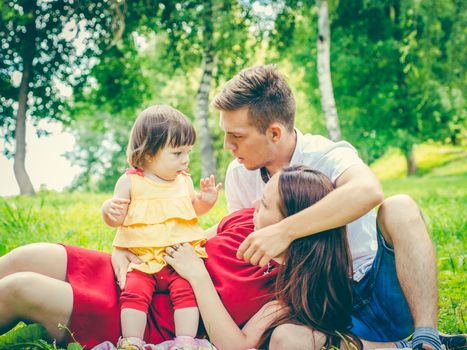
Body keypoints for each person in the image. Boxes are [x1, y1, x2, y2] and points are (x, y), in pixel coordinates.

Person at [211, 64, 464, 350]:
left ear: (275, 133)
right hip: (321, 306)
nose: (226, 145)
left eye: (237, 135)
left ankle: (426, 337)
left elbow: (367, 190)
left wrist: (285, 231)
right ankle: (398, 349)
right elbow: (243, 244)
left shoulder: (326, 155)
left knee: (400, 207)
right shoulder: (239, 174)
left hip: (380, 288)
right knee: (288, 340)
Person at [0, 166, 362, 350]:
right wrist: (123, 249)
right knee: (25, 256)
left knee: (18, 289)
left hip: (147, 322)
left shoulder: (286, 293)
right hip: (141, 276)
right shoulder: (243, 223)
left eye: (266, 204)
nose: (254, 205)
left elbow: (235, 346)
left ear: (294, 223)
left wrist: (198, 277)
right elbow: (177, 238)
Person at [100, 105, 222, 350]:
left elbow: (191, 210)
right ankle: (132, 341)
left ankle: (185, 341)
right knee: (133, 293)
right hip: (142, 258)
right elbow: (117, 217)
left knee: (186, 292)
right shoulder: (130, 182)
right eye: (177, 153)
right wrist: (108, 211)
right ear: (148, 154)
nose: (186, 159)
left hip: (178, 258)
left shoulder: (184, 181)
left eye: (188, 151)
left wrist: (205, 201)